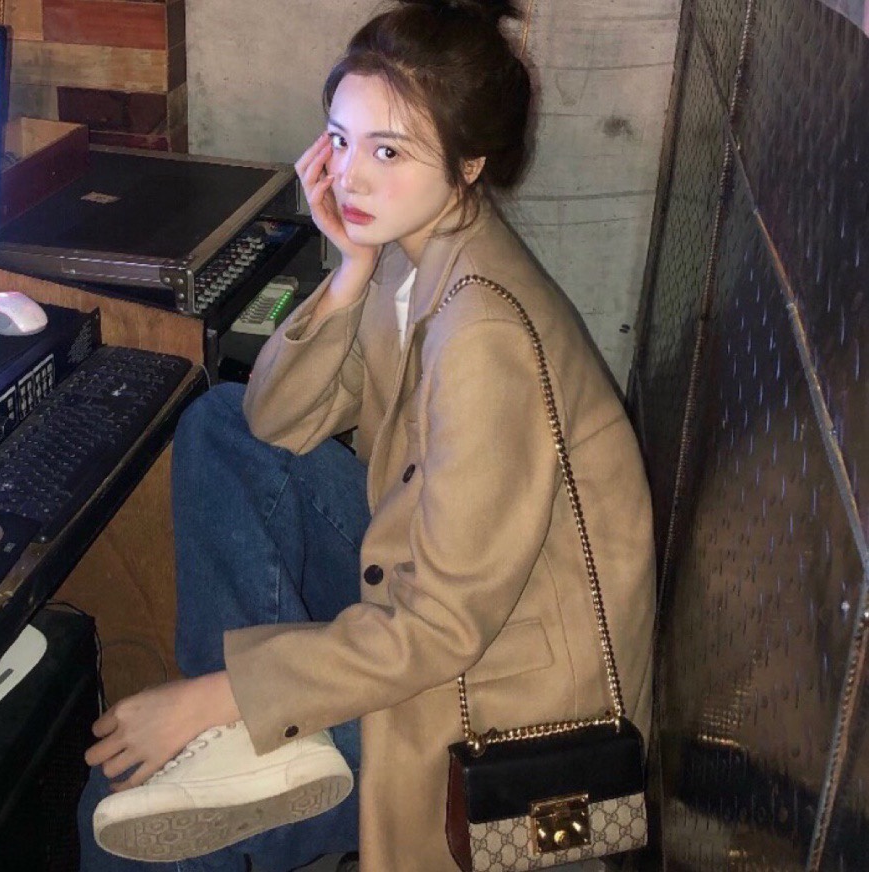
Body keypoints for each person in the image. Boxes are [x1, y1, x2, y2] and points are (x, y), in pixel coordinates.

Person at [77, 0, 656, 869]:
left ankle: (238, 750)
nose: (349, 176)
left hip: (500, 695)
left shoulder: (484, 338)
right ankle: (248, 752)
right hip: (442, 586)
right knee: (222, 423)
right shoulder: (411, 254)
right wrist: (347, 270)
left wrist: (220, 698)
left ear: (469, 163)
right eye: (341, 140)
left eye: (388, 152)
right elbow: (277, 423)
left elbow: (443, 629)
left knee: (117, 810)